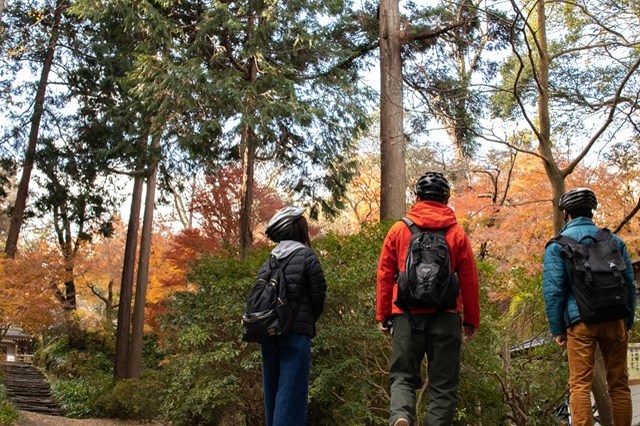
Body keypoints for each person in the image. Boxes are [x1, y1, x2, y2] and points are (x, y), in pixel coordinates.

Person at [376, 172, 481, 426]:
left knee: (402, 376)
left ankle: (401, 416)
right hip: (446, 316)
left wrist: (383, 314)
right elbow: (469, 280)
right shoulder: (456, 234)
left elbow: (384, 274)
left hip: (406, 315)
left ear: (417, 197)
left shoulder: (399, 230)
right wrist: (471, 320)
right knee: (443, 385)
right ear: (446, 199)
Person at [543, 188, 636, 426]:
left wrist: (558, 330)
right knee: (619, 384)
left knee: (580, 385)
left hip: (581, 322)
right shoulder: (613, 241)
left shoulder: (557, 246)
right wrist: (628, 321)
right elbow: (628, 284)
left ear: (566, 213)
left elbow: (554, 291)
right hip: (615, 318)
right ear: (592, 211)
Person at [260, 206, 326, 426]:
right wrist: (307, 320)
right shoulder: (307, 256)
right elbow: (318, 296)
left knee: (273, 391)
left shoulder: (269, 259)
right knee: (292, 393)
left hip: (268, 331)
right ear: (300, 231)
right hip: (296, 333)